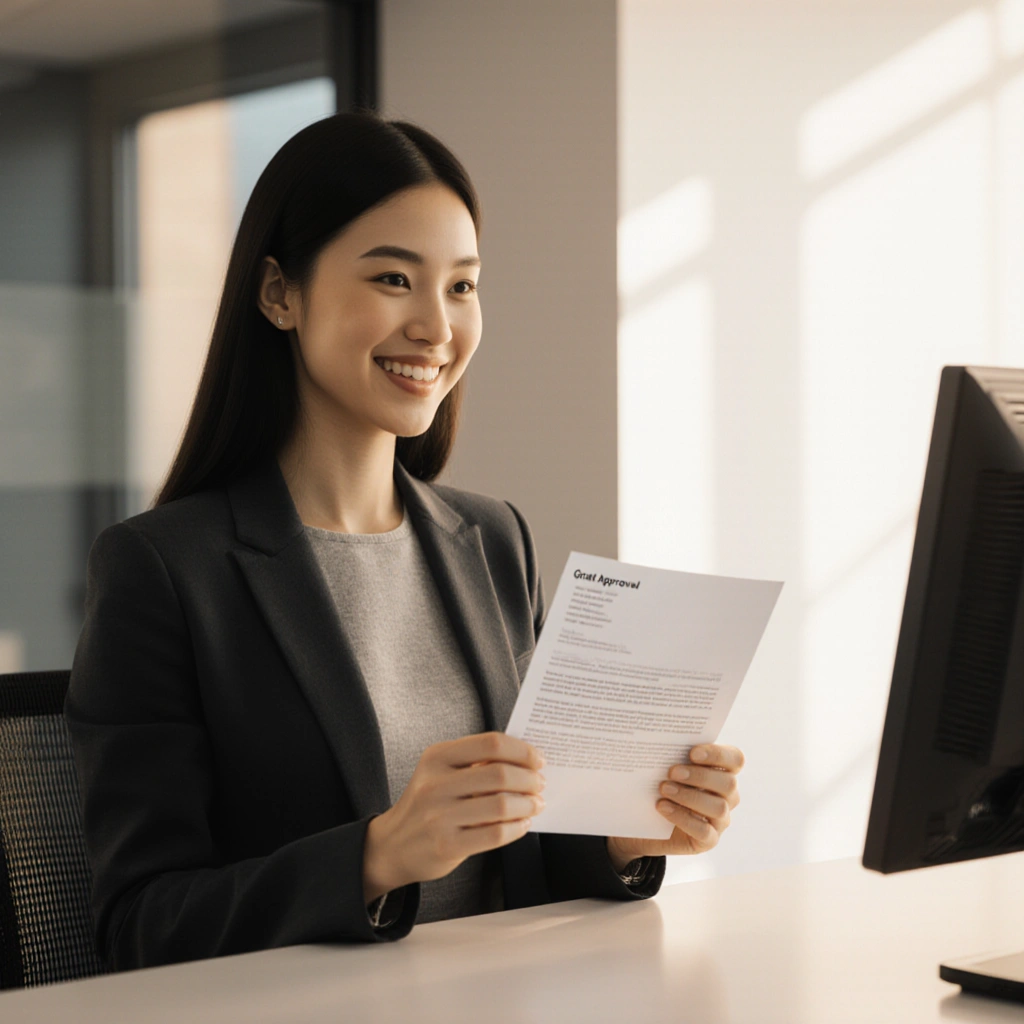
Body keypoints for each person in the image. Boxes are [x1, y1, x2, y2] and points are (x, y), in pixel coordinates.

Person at [65, 111, 745, 972]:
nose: (437, 326)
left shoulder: (492, 539)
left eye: (462, 286)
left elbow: (522, 853)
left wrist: (624, 837)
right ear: (279, 294)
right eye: (394, 278)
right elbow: (138, 925)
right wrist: (378, 856)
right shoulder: (164, 569)